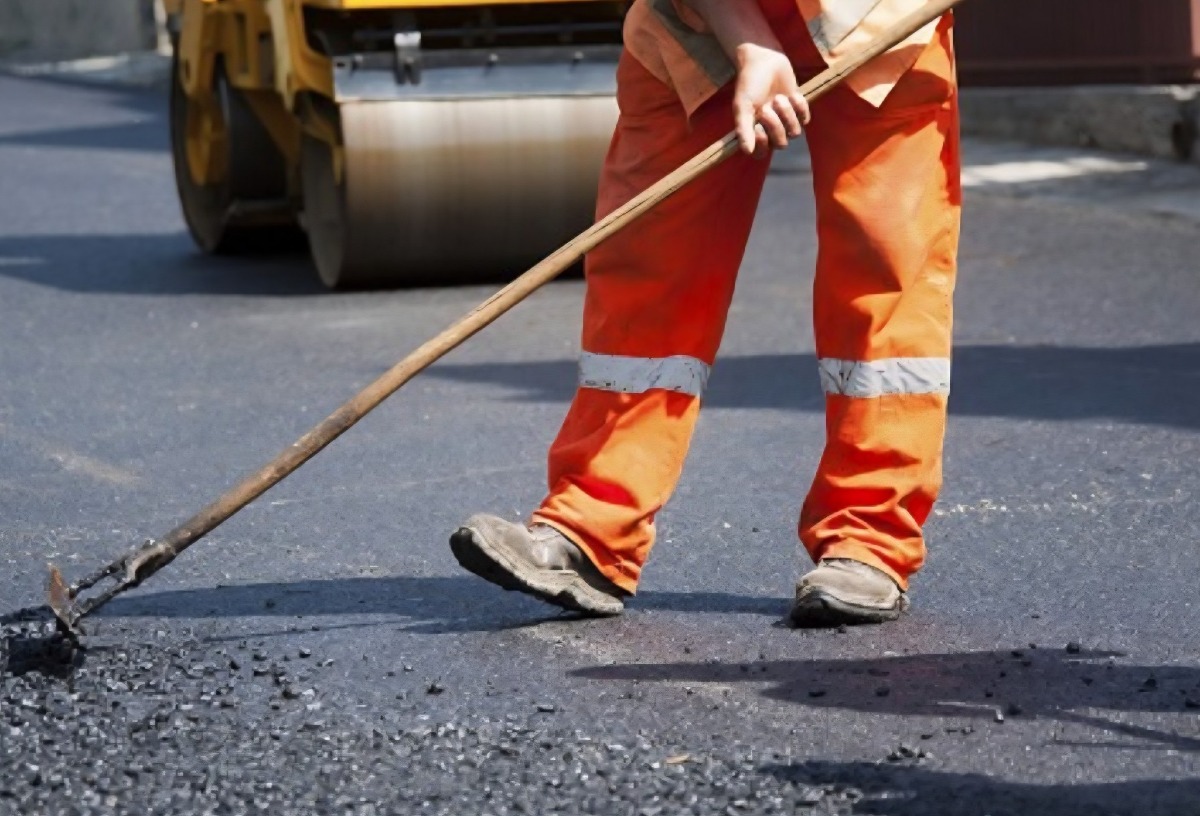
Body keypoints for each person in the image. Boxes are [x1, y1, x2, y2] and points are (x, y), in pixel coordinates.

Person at [449, 0, 961, 626]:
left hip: (878, 20)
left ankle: (869, 540)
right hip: (693, 25)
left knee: (886, 272)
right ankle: (592, 528)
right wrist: (748, 41)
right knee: (648, 267)